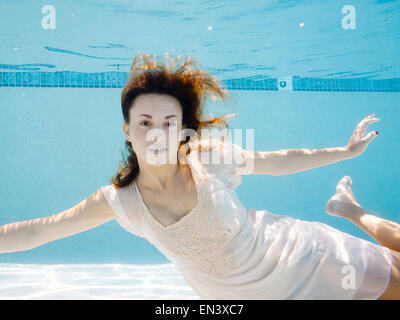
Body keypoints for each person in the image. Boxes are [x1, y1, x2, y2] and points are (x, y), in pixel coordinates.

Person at [0, 53, 399, 299]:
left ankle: (350, 209)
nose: (157, 132)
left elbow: (278, 161)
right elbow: (39, 232)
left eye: (169, 121)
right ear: (127, 130)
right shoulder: (120, 201)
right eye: (144, 121)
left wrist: (344, 152)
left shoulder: (207, 159)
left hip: (307, 259)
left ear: (183, 127)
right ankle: (347, 208)